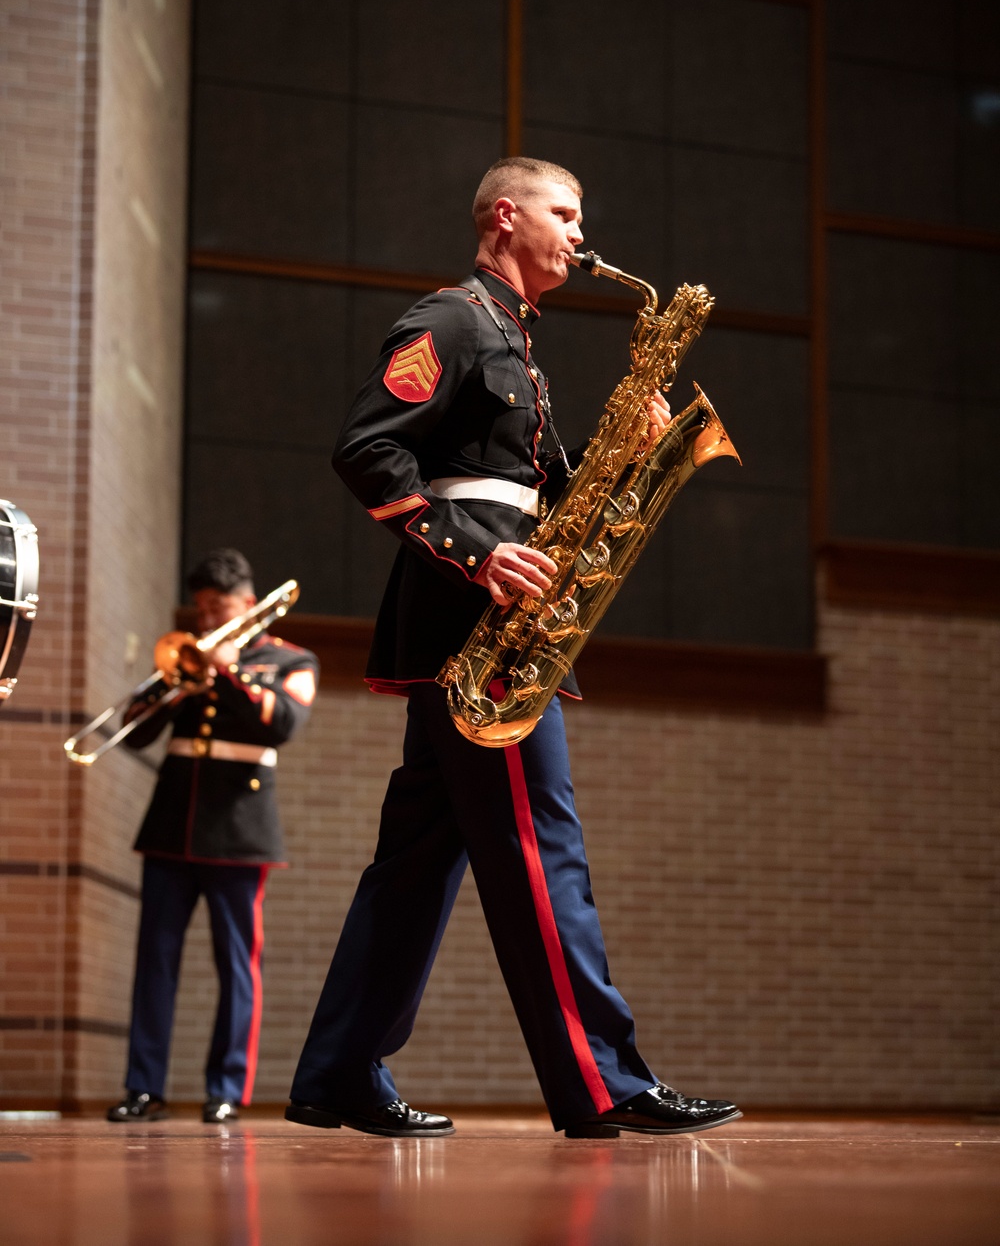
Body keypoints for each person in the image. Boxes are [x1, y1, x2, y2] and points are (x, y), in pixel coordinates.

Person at [286, 157, 741, 1139]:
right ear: (505, 215)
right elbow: (368, 446)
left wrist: (630, 454)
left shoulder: (515, 341)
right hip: (473, 616)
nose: (579, 234)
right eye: (564, 212)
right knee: (543, 847)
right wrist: (478, 559)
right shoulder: (451, 320)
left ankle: (335, 1073)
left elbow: (534, 484)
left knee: (413, 865)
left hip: (493, 608)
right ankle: (604, 1079)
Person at [107, 548, 319, 1124]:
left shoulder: (292, 660)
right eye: (200, 610)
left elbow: (283, 723)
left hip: (241, 830)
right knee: (155, 960)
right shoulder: (187, 657)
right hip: (172, 825)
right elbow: (132, 736)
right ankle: (143, 1087)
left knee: (237, 965)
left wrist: (226, 669)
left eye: (217, 608)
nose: (205, 621)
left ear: (248, 605)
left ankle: (226, 1090)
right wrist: (165, 687)